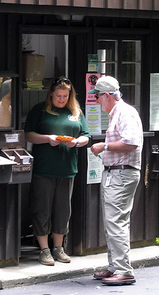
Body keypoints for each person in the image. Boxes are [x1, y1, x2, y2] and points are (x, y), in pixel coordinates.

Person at [24, 76, 90, 266]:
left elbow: (86, 135)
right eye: (58, 95)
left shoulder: (76, 111)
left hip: (67, 169)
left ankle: (58, 248)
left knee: (63, 210)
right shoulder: (40, 110)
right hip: (44, 169)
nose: (61, 99)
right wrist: (48, 138)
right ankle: (44, 249)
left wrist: (77, 142)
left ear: (70, 95)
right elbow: (28, 135)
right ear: (51, 93)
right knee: (42, 209)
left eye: (65, 95)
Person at [89, 76, 143, 286]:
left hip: (122, 173)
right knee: (113, 222)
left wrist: (104, 146)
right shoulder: (117, 113)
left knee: (116, 222)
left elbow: (131, 143)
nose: (96, 101)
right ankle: (115, 266)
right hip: (116, 173)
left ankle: (123, 270)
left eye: (98, 97)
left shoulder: (125, 112)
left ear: (108, 95)